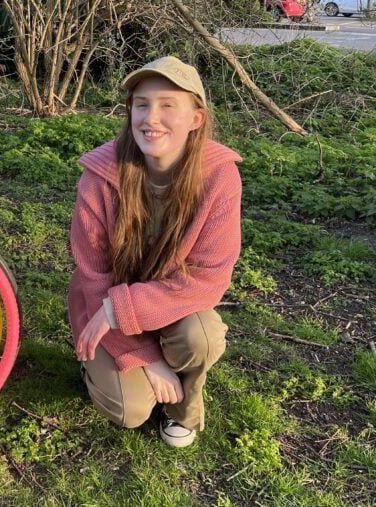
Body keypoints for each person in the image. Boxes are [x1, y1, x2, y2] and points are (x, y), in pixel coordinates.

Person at [67, 56, 242, 448]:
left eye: (167, 105)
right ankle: (100, 366)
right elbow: (94, 277)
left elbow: (208, 277)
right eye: (142, 104)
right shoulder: (100, 174)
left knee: (203, 336)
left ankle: (183, 410)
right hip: (104, 309)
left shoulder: (219, 176)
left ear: (195, 118)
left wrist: (121, 310)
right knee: (129, 411)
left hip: (166, 306)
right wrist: (146, 358)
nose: (151, 118)